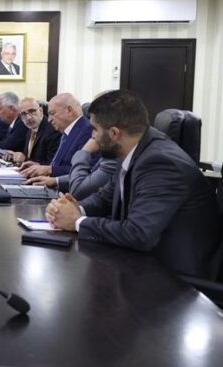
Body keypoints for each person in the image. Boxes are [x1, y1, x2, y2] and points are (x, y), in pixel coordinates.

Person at [45, 89, 219, 278]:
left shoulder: (161, 163)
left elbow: (138, 233)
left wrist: (77, 221)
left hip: (176, 278)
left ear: (114, 133)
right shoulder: (134, 150)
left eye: (94, 129)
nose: (92, 136)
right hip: (142, 262)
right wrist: (76, 208)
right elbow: (104, 197)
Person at [19, 92, 92, 178]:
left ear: (69, 110)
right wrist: (40, 166)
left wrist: (50, 170)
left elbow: (87, 170)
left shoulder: (87, 131)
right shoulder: (67, 131)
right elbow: (58, 164)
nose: (49, 119)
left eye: (52, 113)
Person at [24, 137, 118, 200]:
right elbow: (91, 175)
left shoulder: (112, 159)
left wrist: (85, 151)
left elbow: (78, 191)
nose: (92, 135)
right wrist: (56, 181)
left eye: (95, 129)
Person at [0, 97, 59, 165]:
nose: (28, 118)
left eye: (32, 111)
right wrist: (14, 155)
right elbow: (31, 157)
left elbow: (51, 165)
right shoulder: (30, 130)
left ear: (41, 111)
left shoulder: (53, 130)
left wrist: (24, 160)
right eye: (23, 114)